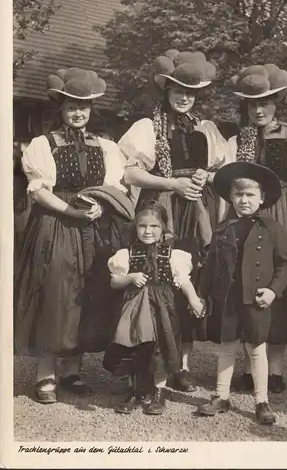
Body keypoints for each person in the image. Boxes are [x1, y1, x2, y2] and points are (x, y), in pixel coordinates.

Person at [14, 67, 131, 404]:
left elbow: (113, 187)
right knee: (57, 292)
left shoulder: (106, 146)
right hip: (57, 223)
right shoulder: (44, 144)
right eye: (71, 108)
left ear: (91, 110)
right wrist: (71, 212)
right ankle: (46, 375)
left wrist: (101, 208)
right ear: (61, 110)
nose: (78, 113)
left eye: (84, 108)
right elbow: (38, 191)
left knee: (88, 291)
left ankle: (72, 372)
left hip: (95, 225)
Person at [118, 49, 228, 392]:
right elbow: (130, 173)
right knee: (154, 280)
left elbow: (220, 172)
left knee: (188, 279)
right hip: (161, 209)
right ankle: (148, 363)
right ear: (165, 90)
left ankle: (180, 366)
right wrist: (171, 183)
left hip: (195, 210)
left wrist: (203, 178)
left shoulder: (205, 128)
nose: (184, 97)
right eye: (178, 90)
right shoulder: (148, 126)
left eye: (191, 92)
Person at [225, 64, 287, 393]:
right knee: (246, 285)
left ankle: (276, 371)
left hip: (281, 217)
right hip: (245, 219)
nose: (259, 109)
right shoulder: (237, 141)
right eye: (253, 104)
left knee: (279, 288)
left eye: (265, 103)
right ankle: (250, 367)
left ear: (276, 104)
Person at [197, 162, 287, 425]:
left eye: (250, 195)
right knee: (227, 347)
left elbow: (285, 264)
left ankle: (262, 401)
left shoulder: (272, 228)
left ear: (262, 199)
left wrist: (273, 291)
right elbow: (211, 266)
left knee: (257, 349)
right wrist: (202, 295)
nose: (244, 200)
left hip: (256, 299)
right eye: (238, 195)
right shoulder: (223, 229)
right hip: (228, 298)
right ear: (231, 198)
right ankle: (221, 396)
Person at [103, 201, 205, 415]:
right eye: (142, 226)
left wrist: (194, 299)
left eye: (154, 226)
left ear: (163, 228)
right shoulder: (126, 254)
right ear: (135, 227)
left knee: (161, 347)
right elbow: (114, 282)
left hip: (162, 309)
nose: (148, 231)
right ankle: (136, 391)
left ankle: (159, 391)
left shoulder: (173, 255)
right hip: (134, 309)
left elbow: (183, 280)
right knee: (134, 347)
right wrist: (130, 277)